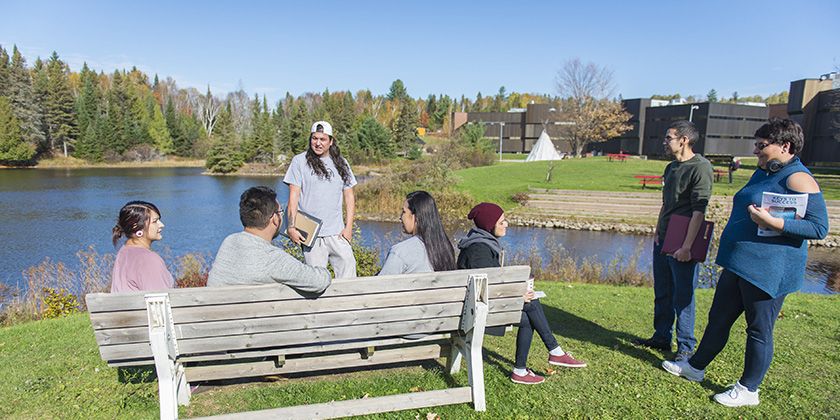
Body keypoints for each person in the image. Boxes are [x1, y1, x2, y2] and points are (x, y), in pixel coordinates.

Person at [661, 118, 829, 407]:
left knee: (758, 330)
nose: (756, 150)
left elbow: (818, 227)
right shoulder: (764, 171)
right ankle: (696, 367)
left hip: (768, 270)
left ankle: (749, 389)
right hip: (740, 264)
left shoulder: (798, 178)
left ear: (785, 147)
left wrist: (774, 222)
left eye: (762, 145)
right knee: (719, 318)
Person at [457, 202, 586, 385]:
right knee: (531, 305)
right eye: (501, 222)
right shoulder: (480, 250)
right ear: (489, 224)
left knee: (529, 317)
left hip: (481, 306)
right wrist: (518, 297)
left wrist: (518, 293)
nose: (506, 224)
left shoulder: (482, 244)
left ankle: (521, 369)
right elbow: (486, 290)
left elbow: (491, 285)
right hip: (475, 313)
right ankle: (554, 352)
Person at [633, 120, 714, 361]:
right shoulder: (670, 168)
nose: (665, 142)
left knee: (683, 295)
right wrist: (658, 231)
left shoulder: (700, 167)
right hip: (664, 238)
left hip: (684, 240)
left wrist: (687, 247)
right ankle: (661, 337)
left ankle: (686, 347)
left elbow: (699, 211)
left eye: (669, 138)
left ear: (684, 140)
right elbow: (666, 204)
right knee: (663, 291)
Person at [207, 186, 331, 293]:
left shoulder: (229, 242)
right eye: (280, 212)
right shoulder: (272, 258)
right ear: (275, 219)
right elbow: (320, 281)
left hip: (215, 317)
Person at [284, 121, 358, 278]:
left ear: (331, 141)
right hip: (311, 235)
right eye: (314, 138)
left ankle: (347, 304)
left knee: (349, 275)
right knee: (316, 281)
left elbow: (349, 196)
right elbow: (293, 196)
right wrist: (291, 227)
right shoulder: (299, 161)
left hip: (338, 233)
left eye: (322, 139)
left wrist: (349, 227)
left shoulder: (342, 163)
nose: (318, 143)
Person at [378, 191, 455, 275]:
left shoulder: (400, 252)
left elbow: (380, 285)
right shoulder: (446, 248)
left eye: (404, 212)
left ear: (416, 216)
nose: (400, 217)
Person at [110, 201, 174, 293]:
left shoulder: (123, 252)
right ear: (136, 227)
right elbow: (160, 301)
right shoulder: (148, 260)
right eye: (155, 221)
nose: (161, 225)